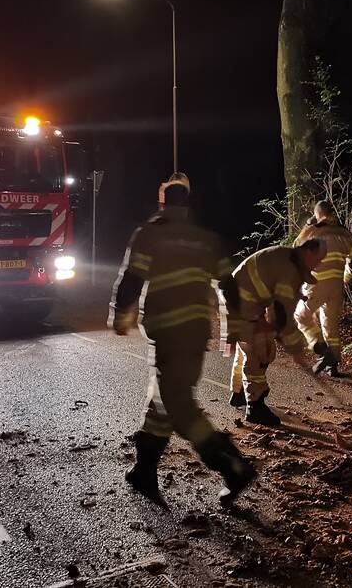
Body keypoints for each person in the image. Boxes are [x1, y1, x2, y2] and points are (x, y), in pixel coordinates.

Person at [111, 172, 255, 508]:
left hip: (167, 331)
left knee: (178, 405)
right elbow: (228, 286)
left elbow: (131, 278)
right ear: (187, 205)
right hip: (194, 331)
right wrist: (233, 325)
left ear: (162, 203)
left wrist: (120, 317)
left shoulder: (149, 234)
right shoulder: (207, 239)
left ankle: (233, 466)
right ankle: (144, 471)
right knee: (163, 401)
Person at [226, 240, 327, 426]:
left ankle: (238, 392)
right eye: (318, 259)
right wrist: (295, 349)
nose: (318, 264)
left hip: (238, 301)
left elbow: (278, 308)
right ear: (309, 253)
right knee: (261, 350)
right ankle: (255, 407)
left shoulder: (287, 257)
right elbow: (282, 315)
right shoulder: (290, 269)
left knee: (247, 346)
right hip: (242, 305)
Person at [293, 201, 352, 376]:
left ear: (317, 214)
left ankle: (322, 350)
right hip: (337, 286)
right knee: (330, 324)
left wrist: (307, 225)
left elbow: (296, 247)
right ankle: (333, 365)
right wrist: (345, 277)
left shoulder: (314, 231)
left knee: (301, 316)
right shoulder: (345, 233)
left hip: (316, 284)